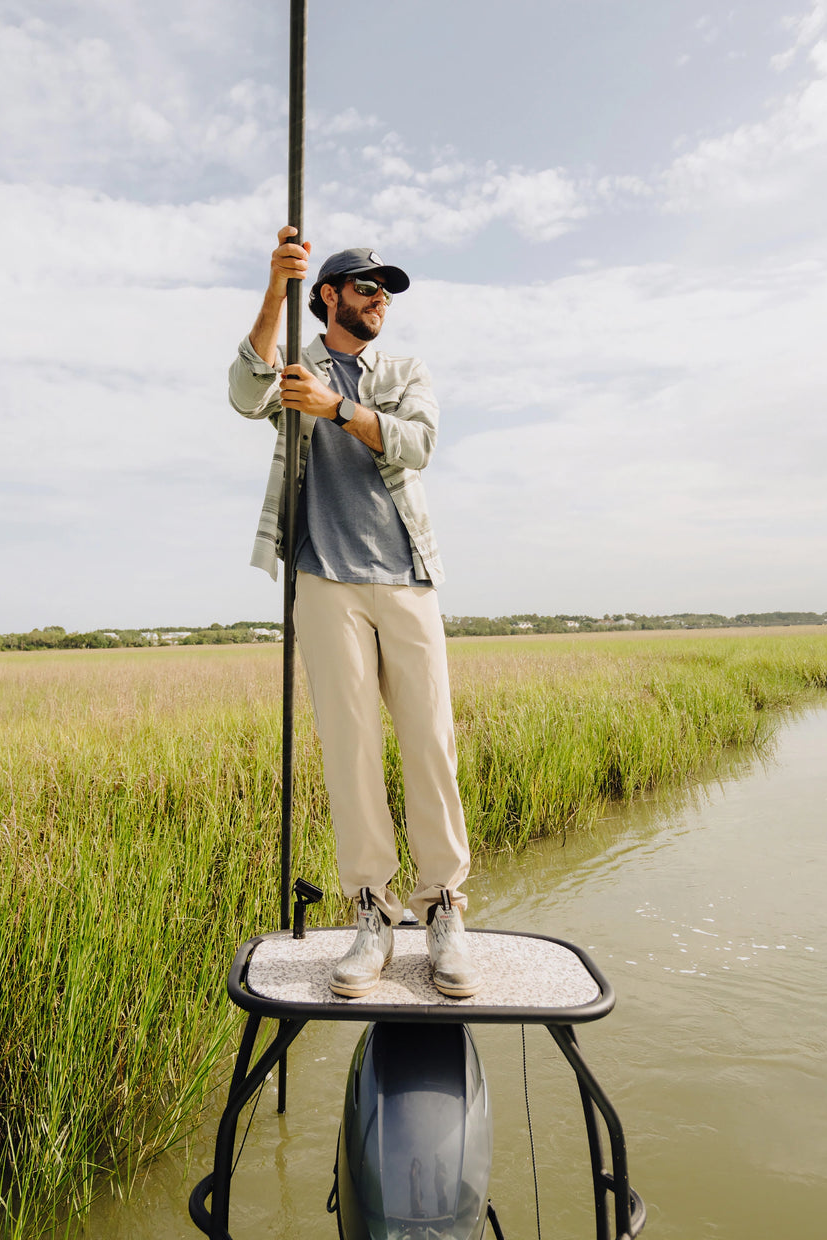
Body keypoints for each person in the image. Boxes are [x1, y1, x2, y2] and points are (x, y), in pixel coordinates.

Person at [228, 225, 480, 999]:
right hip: (323, 580)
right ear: (329, 294)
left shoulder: (402, 370)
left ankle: (442, 912)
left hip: (406, 578)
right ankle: (373, 912)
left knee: (430, 742)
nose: (380, 301)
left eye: (387, 292)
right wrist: (276, 288)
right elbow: (244, 393)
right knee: (350, 750)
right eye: (367, 288)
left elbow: (417, 443)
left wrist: (337, 409)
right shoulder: (293, 366)